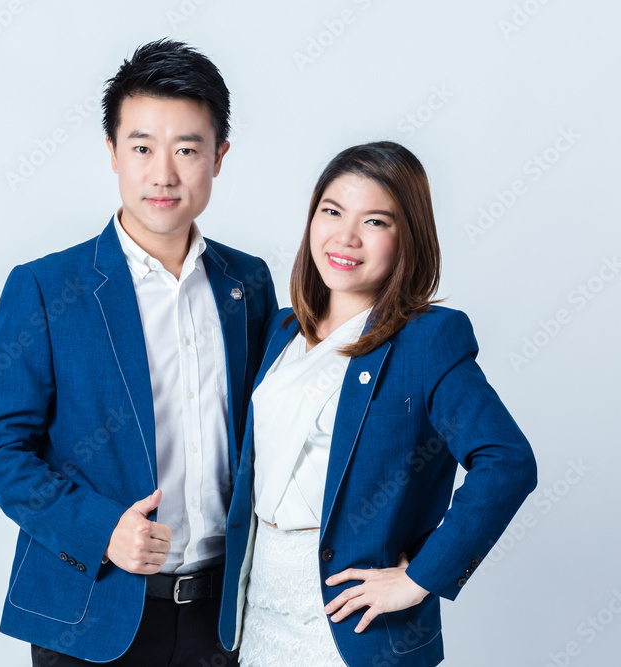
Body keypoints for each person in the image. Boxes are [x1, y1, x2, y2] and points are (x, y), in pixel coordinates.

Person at [0, 39, 278, 666]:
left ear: (219, 157)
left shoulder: (248, 284)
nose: (163, 174)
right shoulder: (47, 288)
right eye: (141, 148)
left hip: (225, 617)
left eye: (187, 149)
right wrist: (102, 529)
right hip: (91, 615)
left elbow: (267, 432)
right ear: (112, 153)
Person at [217, 141, 538, 666]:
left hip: (352, 626)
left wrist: (420, 578)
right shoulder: (280, 332)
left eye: (375, 222)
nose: (345, 237)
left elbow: (508, 461)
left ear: (407, 238)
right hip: (259, 610)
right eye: (332, 211)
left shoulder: (426, 340)